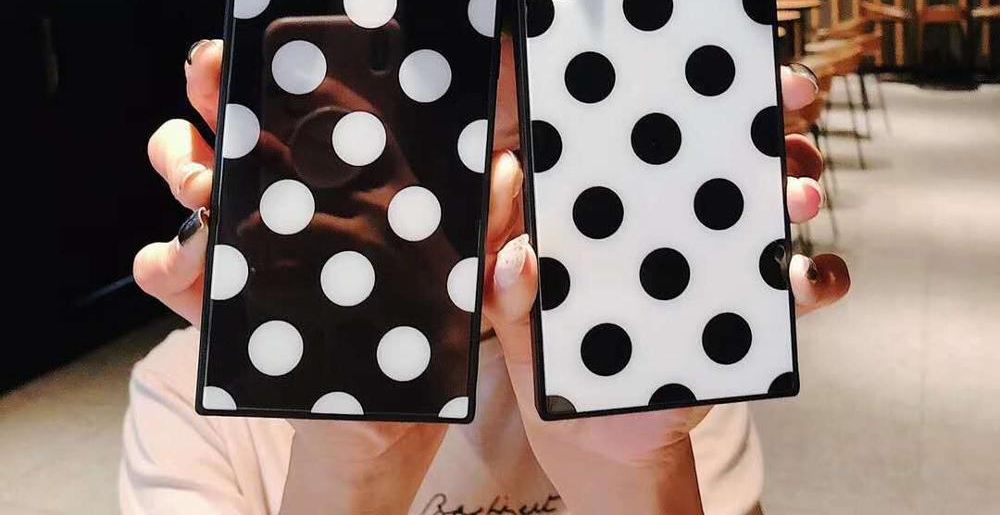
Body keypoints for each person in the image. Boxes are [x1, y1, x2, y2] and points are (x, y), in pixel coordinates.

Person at [122, 37, 848, 514]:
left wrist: (636, 482)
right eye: (440, 161)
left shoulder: (655, 371)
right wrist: (349, 468)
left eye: (533, 159)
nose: (497, 204)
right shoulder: (192, 394)